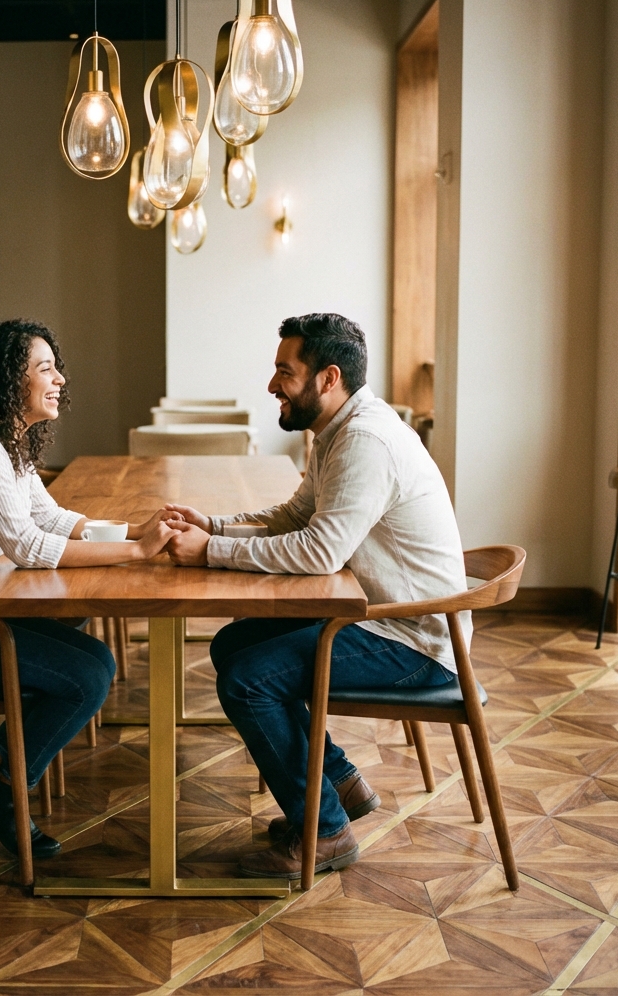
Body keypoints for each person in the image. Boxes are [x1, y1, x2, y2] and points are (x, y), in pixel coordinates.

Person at [164, 313, 468, 880]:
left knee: (249, 678)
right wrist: (214, 525)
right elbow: (294, 517)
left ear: (328, 379)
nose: (273, 384)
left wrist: (210, 552)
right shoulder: (337, 432)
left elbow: (318, 552)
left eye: (285, 370)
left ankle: (326, 832)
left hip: (414, 643)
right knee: (234, 645)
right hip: (377, 620)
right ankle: (339, 784)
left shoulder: (366, 442)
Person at [0, 320, 178, 860]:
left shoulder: (5, 445)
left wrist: (137, 529)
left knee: (91, 660)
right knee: (88, 673)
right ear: (6, 380)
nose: (60, 378)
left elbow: (51, 516)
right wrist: (137, 553)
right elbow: (26, 544)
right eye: (45, 368)